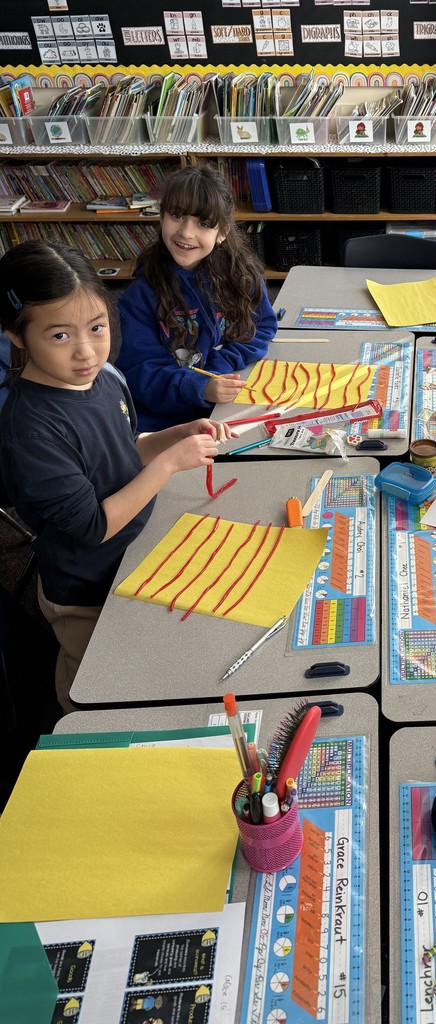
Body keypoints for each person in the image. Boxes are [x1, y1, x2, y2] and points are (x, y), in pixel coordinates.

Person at [0, 240, 233, 712]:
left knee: (147, 668)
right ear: (17, 336)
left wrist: (172, 436)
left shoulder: (104, 377)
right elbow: (92, 526)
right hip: (84, 587)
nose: (87, 351)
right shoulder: (31, 430)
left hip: (136, 549)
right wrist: (169, 464)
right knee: (92, 690)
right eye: (60, 336)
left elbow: (124, 452)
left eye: (97, 327)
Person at [117, 163, 277, 430]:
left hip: (225, 406)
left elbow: (262, 326)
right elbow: (139, 374)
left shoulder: (241, 276)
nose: (186, 232)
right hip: (164, 422)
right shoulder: (140, 296)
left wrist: (222, 363)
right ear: (161, 216)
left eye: (203, 223)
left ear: (223, 232)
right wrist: (199, 387)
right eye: (177, 215)